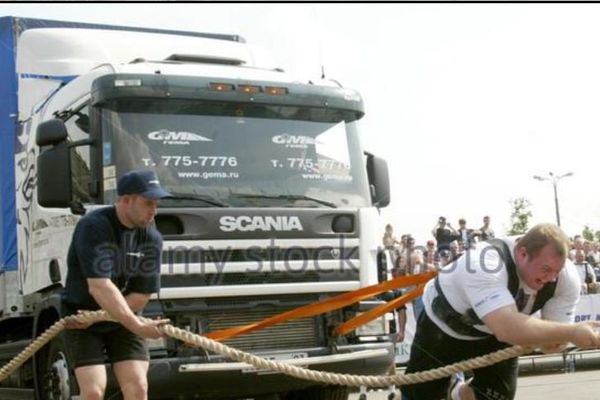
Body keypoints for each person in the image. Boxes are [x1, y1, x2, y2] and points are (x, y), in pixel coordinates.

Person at [403, 224, 600, 400]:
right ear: (522, 254)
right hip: (443, 329)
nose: (551, 278)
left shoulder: (566, 278)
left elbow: (551, 344)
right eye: (546, 269)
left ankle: (457, 392)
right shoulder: (484, 262)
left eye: (556, 271)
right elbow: (507, 328)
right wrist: (573, 332)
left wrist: (562, 340)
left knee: (495, 397)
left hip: (498, 331)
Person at [61, 169, 171, 400]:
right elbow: (99, 286)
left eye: (156, 204)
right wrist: (138, 326)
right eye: (148, 203)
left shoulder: (152, 237)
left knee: (138, 389)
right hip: (81, 319)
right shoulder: (94, 226)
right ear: (125, 200)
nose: (154, 210)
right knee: (93, 392)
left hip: (123, 317)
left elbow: (142, 293)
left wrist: (113, 318)